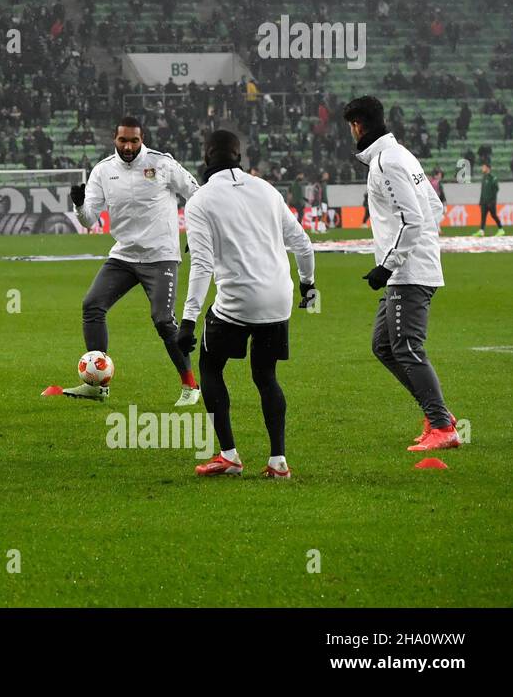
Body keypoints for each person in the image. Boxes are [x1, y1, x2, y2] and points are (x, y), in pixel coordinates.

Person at [177, 130, 315, 479]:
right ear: (239, 155)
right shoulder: (266, 189)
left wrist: (188, 321)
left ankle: (229, 456)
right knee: (266, 375)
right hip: (277, 298)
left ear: (206, 157)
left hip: (237, 301)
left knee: (209, 367)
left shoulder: (200, 201)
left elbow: (202, 265)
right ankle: (278, 461)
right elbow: (303, 244)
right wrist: (308, 286)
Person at [343, 96, 460, 452]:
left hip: (407, 273)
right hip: (411, 268)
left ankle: (441, 425)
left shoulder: (386, 163)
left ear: (358, 126)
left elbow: (415, 217)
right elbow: (435, 207)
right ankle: (437, 414)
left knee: (407, 346)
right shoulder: (402, 156)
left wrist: (389, 263)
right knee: (383, 345)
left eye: (350, 126)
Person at [66, 115, 202, 406]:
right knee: (92, 305)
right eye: (123, 140)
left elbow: (197, 195)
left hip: (161, 256)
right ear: (114, 140)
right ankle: (96, 384)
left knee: (164, 321)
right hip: (125, 255)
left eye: (134, 140)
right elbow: (90, 220)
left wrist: (199, 231)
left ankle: (191, 386)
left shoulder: (162, 163)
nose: (128, 146)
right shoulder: (103, 171)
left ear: (143, 139)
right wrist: (79, 205)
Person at [474, 162, 504, 236]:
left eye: (483, 167)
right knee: (483, 216)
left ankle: (501, 229)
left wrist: (492, 201)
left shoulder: (493, 178)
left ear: (488, 168)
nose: (482, 168)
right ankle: (481, 231)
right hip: (484, 201)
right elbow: (482, 190)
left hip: (491, 202)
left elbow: (496, 190)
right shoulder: (484, 177)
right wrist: (480, 201)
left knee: (493, 215)